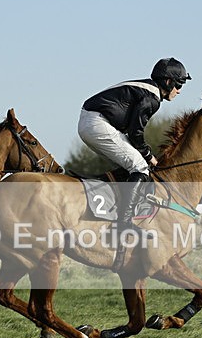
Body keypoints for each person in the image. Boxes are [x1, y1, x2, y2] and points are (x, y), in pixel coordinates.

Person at [78, 57, 191, 269]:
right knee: (140, 166)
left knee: (132, 164)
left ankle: (113, 209)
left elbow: (131, 132)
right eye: (178, 84)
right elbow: (135, 132)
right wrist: (149, 155)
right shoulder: (152, 98)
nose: (179, 90)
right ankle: (124, 224)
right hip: (97, 123)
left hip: (93, 121)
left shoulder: (147, 89)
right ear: (167, 82)